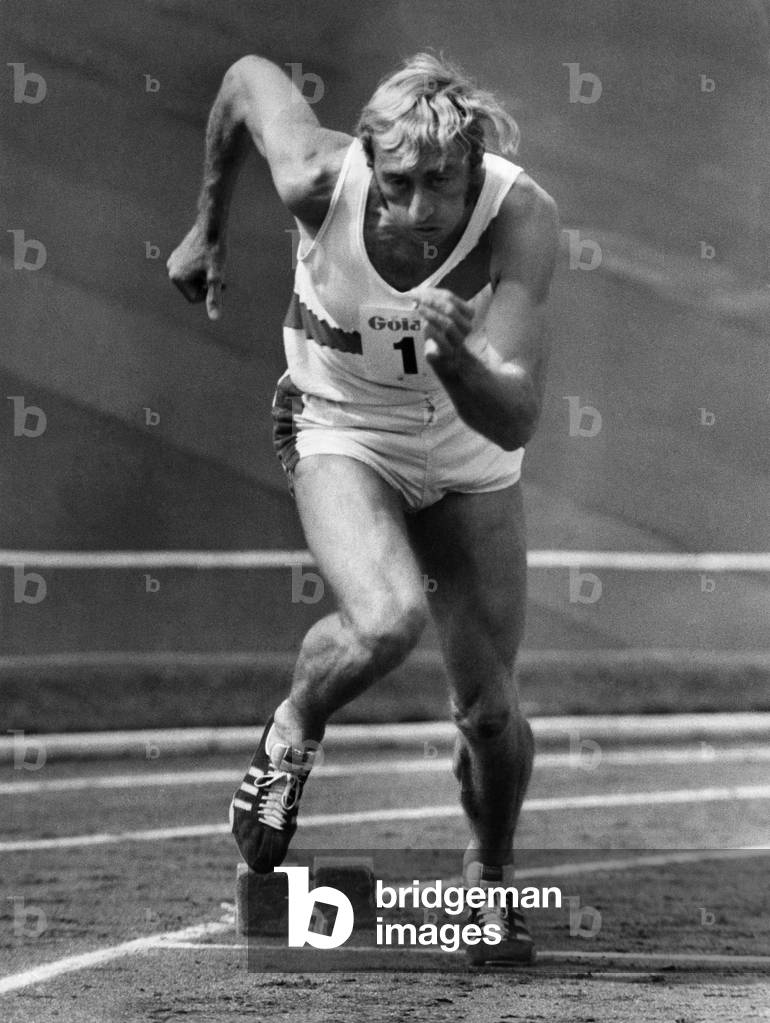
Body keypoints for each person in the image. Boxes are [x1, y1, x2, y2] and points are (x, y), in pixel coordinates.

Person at [167, 51, 558, 965]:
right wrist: (206, 229)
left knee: (491, 713)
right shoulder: (316, 177)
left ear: (476, 166)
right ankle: (293, 731)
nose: (416, 212)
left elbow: (516, 417)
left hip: (467, 445)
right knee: (388, 619)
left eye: (440, 186)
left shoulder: (522, 219)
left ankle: (490, 879)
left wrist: (459, 361)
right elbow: (241, 79)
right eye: (398, 184)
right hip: (340, 424)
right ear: (369, 164)